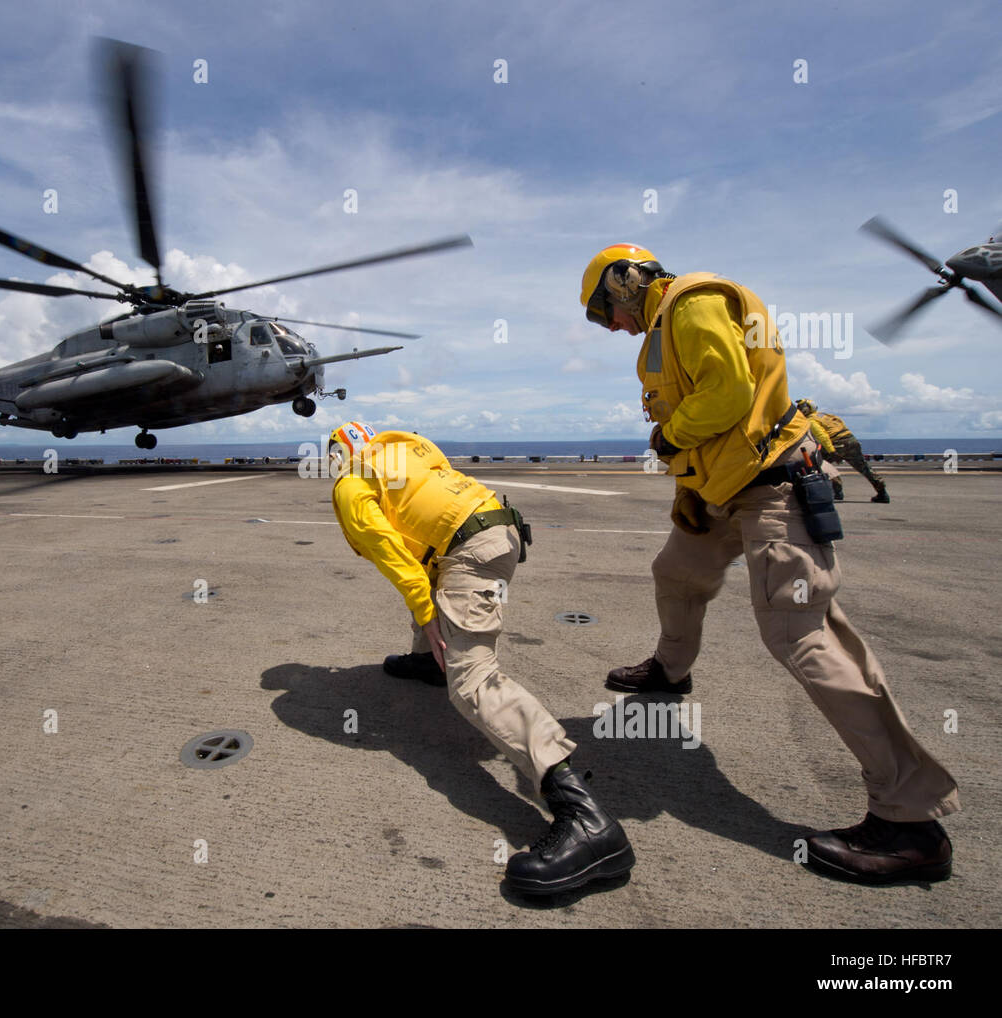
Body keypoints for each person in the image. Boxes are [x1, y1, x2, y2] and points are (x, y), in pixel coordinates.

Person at [579, 244, 959, 884]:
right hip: (724, 491)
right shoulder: (665, 331)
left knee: (801, 635)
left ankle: (910, 821)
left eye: (601, 313)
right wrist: (689, 492)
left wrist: (668, 439)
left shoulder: (690, 303)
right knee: (676, 571)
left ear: (623, 282)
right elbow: (710, 422)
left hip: (772, 487)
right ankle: (670, 673)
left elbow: (726, 398)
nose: (610, 328)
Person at [326, 421, 634, 895]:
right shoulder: (408, 449)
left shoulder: (351, 482)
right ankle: (429, 660)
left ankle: (587, 821)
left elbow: (387, 549)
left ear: (336, 456)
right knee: (430, 574)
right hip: (499, 526)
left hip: (470, 552)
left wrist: (426, 610)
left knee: (471, 682)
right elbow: (424, 528)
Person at [795, 399, 890, 502]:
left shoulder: (811, 420)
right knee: (864, 468)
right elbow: (840, 424)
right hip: (851, 441)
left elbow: (822, 436)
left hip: (836, 444)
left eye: (800, 407)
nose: (798, 410)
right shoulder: (825, 415)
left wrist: (831, 451)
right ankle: (882, 493)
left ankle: (837, 491)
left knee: (819, 465)